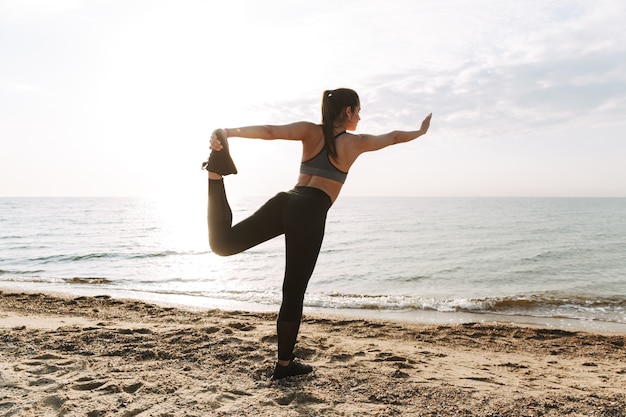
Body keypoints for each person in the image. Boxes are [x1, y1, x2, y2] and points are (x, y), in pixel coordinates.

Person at [203, 88, 432, 380]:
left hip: (286, 199)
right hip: (309, 211)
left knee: (223, 244)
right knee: (293, 291)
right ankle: (284, 366)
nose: (360, 117)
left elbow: (270, 131)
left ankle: (214, 174)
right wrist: (419, 132)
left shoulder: (308, 131)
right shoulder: (354, 143)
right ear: (347, 111)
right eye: (358, 111)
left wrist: (227, 132)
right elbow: (393, 137)